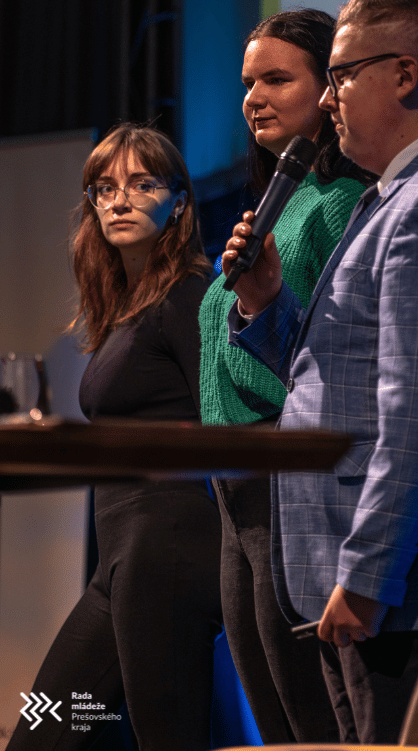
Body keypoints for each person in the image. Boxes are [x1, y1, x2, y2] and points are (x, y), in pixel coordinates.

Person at [223, 0, 418, 744]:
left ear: (404, 74)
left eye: (340, 75)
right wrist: (266, 303)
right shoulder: (392, 198)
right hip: (384, 583)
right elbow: (334, 377)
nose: (328, 99)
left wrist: (367, 577)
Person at [7, 124, 222, 751]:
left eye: (142, 184)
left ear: (178, 203)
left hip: (168, 551)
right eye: (104, 188)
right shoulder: (129, 306)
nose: (119, 201)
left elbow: (224, 419)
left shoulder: (188, 296)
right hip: (121, 563)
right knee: (44, 733)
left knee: (168, 740)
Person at [198, 8, 370, 743]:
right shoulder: (281, 200)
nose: (253, 99)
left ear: (327, 90)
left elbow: (335, 352)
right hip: (232, 489)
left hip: (284, 472)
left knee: (312, 717)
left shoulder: (343, 202)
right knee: (271, 718)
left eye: (275, 79)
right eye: (247, 83)